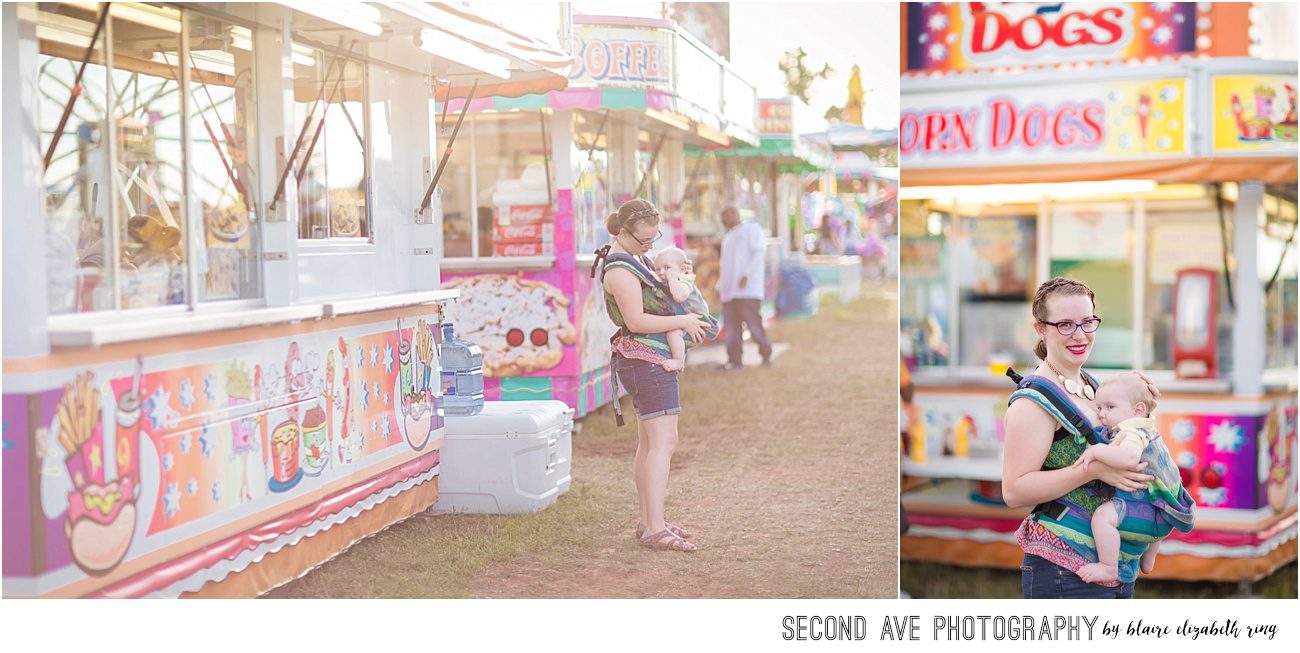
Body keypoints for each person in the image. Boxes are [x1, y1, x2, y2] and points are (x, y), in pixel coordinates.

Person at [1001, 277, 1156, 599]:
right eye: (1065, 325)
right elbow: (1014, 491)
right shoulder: (1033, 401)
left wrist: (1144, 413)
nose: (1080, 335)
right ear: (1040, 329)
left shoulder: (1094, 385)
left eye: (1088, 322)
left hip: (1111, 564)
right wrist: (1091, 470)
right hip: (1064, 570)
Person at [599, 199, 710, 552]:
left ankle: (650, 520)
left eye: (654, 239)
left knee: (649, 444)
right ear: (622, 231)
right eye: (644, 240)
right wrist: (684, 320)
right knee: (664, 444)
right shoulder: (620, 270)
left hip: (642, 360)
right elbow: (636, 322)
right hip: (649, 360)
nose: (650, 246)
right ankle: (654, 527)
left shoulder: (634, 259)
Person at [1072, 372, 1196, 585]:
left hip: (1143, 514)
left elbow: (1129, 458)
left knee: (1102, 517)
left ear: (1138, 410)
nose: (1101, 414)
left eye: (1110, 407)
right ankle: (1148, 558)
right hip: (1163, 515)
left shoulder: (1133, 433)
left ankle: (1108, 567)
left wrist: (1097, 451)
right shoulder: (1149, 429)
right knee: (1151, 507)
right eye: (1099, 407)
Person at [718, 206, 773, 370]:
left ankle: (766, 355)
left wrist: (747, 274)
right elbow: (725, 265)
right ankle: (735, 361)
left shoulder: (751, 229)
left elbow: (759, 252)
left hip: (747, 290)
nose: (727, 218)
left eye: (729, 213)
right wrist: (719, 286)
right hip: (729, 292)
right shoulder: (727, 237)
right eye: (724, 216)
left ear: (736, 214)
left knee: (753, 324)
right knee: (732, 328)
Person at [652, 246, 711, 373]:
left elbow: (679, 296)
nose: (662, 272)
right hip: (685, 317)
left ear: (682, 269)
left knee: (673, 333)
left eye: (667, 268)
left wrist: (673, 279)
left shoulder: (684, 281)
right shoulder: (668, 280)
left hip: (697, 318)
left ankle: (679, 360)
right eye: (658, 269)